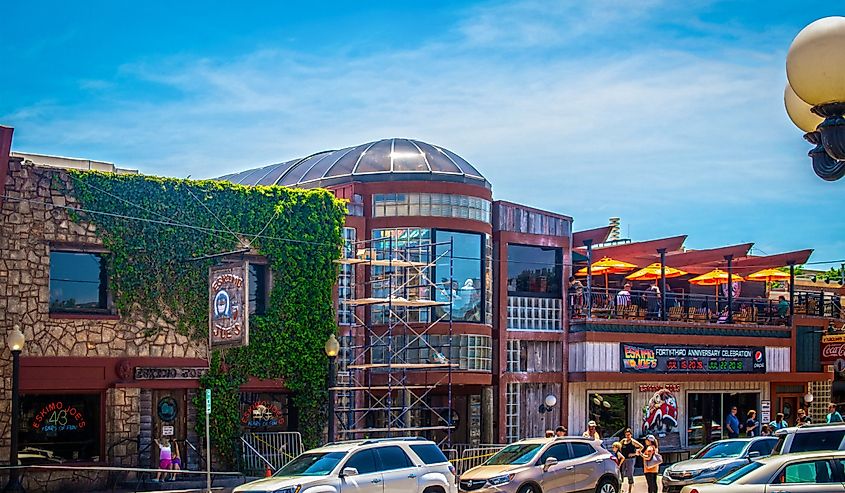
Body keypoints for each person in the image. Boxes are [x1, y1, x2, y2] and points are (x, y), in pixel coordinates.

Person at [619, 428, 643, 493]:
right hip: (623, 459)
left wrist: (634, 453)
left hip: (630, 459)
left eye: (629, 435)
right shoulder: (623, 441)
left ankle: (629, 490)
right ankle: (620, 488)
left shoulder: (633, 441)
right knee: (621, 473)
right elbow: (618, 445)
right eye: (626, 435)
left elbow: (641, 447)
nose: (627, 436)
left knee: (630, 473)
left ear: (631, 435)